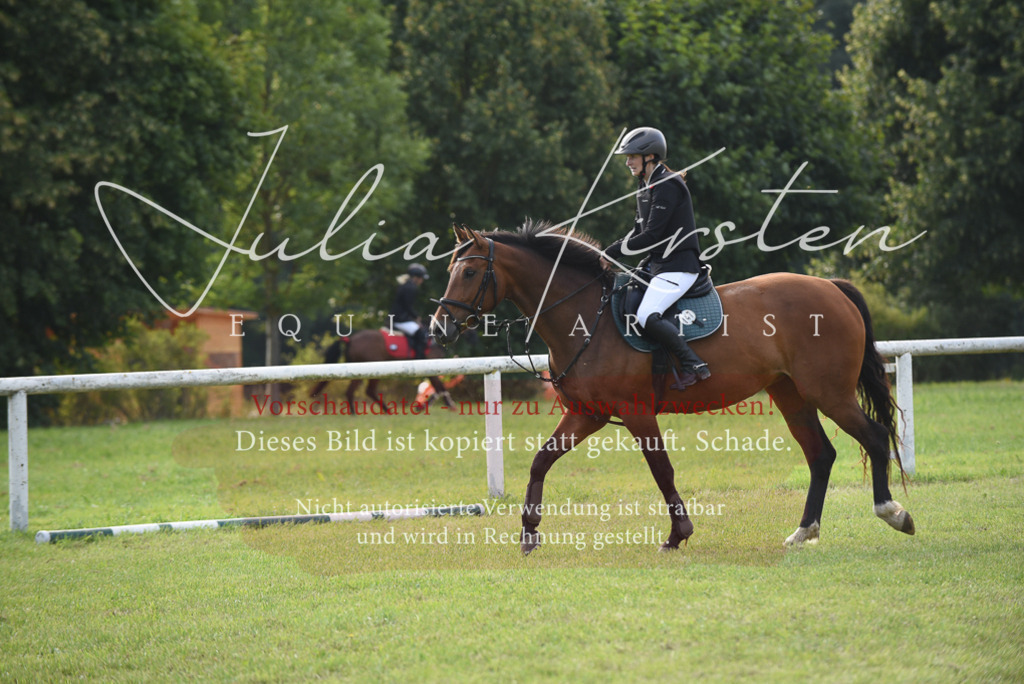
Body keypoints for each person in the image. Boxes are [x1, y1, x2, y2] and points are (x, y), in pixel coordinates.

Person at [603, 126, 711, 383]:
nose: (627, 162)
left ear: (650, 156)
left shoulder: (666, 184)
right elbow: (637, 231)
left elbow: (652, 235)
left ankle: (693, 364)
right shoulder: (646, 185)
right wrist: (610, 249)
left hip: (679, 266)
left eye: (631, 157)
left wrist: (612, 251)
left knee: (645, 314)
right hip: (658, 264)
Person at [389, 263, 430, 359]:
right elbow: (408, 307)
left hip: (400, 318)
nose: (422, 280)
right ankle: (419, 359)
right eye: (421, 278)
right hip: (400, 320)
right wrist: (416, 317)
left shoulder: (406, 285)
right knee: (421, 334)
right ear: (416, 277)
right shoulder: (411, 288)